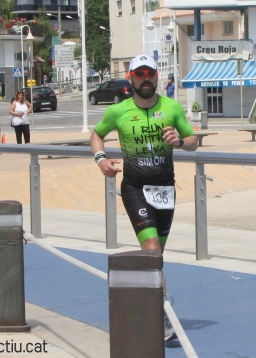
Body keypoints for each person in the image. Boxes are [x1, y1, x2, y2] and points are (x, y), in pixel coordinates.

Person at [90, 55, 198, 342]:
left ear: (157, 75)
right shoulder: (119, 110)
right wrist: (101, 160)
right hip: (135, 187)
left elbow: (194, 142)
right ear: (131, 77)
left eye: (150, 72)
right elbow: (96, 135)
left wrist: (180, 141)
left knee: (157, 257)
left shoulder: (172, 107)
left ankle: (153, 306)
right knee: (150, 249)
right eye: (140, 73)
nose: (146, 78)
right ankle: (159, 316)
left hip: (165, 188)